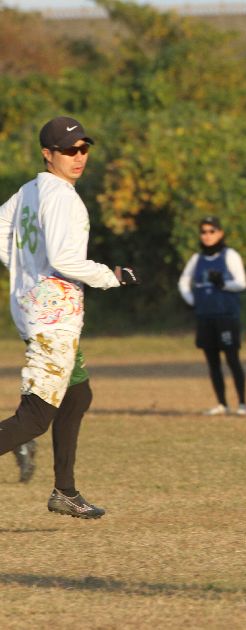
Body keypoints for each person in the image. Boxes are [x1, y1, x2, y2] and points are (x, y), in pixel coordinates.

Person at [0, 115, 139, 518]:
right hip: (52, 319)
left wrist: (25, 269)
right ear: (48, 154)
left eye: (83, 148)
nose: (79, 157)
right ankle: (63, 489)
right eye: (68, 150)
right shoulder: (63, 197)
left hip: (36, 308)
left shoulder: (29, 190)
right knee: (34, 419)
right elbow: (64, 259)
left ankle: (65, 491)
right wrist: (111, 277)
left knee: (77, 395)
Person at [178, 216, 246, 415]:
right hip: (205, 316)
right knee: (213, 362)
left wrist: (223, 284)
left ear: (220, 233)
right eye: (204, 232)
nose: (207, 235)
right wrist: (192, 300)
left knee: (232, 360)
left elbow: (242, 283)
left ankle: (242, 404)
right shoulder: (197, 258)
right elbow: (183, 282)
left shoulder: (230, 255)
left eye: (212, 231)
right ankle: (222, 404)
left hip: (226, 316)